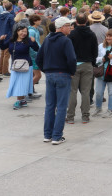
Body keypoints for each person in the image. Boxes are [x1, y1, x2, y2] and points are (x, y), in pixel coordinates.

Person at [37, 16, 76, 145]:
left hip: (50, 74)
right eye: (68, 25)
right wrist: (71, 72)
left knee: (49, 106)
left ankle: (47, 135)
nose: (70, 27)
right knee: (61, 107)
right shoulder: (66, 41)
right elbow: (71, 59)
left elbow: (39, 59)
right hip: (63, 74)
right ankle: (57, 136)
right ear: (61, 27)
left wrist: (46, 70)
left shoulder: (47, 40)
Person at [66, 13, 99, 124]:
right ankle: (85, 116)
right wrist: (93, 63)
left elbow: (69, 52)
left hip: (74, 65)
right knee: (85, 91)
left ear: (76, 21)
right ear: (86, 21)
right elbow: (95, 51)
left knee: (72, 91)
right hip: (87, 64)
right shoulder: (92, 34)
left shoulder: (71, 35)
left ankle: (70, 116)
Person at [0, 24, 39, 110]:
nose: (23, 33)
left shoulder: (28, 40)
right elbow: (2, 47)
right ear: (17, 31)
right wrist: (1, 40)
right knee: (16, 83)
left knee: (22, 84)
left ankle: (19, 100)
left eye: (25, 31)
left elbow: (37, 49)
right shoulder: (11, 41)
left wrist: (34, 41)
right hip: (15, 66)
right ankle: (22, 100)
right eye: (22, 31)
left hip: (26, 66)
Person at [93, 28, 112, 118]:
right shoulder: (101, 46)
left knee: (111, 92)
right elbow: (95, 58)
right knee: (98, 92)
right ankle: (98, 108)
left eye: (110, 36)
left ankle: (110, 110)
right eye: (107, 36)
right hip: (101, 73)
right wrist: (102, 59)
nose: (108, 38)